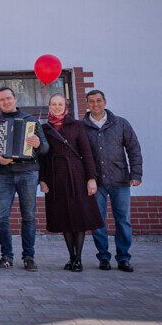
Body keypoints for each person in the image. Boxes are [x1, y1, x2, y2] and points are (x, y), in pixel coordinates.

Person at [0, 87, 49, 272]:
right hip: (4, 175)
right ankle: (6, 257)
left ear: (15, 98)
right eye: (2, 99)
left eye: (8, 98)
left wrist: (38, 144)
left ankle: (29, 257)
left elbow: (45, 149)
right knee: (1, 217)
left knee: (29, 216)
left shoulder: (31, 120)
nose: (6, 102)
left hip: (28, 173)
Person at [39, 94, 103, 272]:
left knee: (78, 216)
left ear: (65, 106)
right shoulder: (44, 128)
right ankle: (71, 257)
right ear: (49, 106)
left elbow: (87, 153)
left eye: (60, 104)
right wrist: (42, 180)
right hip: (55, 177)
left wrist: (91, 178)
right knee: (64, 218)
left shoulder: (77, 125)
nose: (57, 107)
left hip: (77, 175)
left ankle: (79, 259)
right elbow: (42, 158)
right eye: (54, 104)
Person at [81, 90, 142, 273]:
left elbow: (134, 149)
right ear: (87, 104)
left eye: (98, 101)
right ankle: (103, 257)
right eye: (91, 101)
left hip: (120, 179)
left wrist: (136, 174)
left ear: (105, 102)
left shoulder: (120, 123)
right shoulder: (82, 126)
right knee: (98, 221)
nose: (95, 104)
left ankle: (123, 258)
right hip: (95, 181)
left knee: (123, 220)